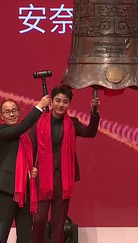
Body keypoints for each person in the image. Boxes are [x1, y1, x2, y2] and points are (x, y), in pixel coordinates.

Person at [30, 85, 100, 243]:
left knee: (58, 223)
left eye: (65, 102)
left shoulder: (72, 123)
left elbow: (90, 132)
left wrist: (94, 113)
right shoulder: (39, 122)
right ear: (52, 102)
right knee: (39, 220)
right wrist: (30, 168)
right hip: (42, 179)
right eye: (58, 101)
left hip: (63, 180)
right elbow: (31, 147)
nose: (61, 105)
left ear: (69, 104)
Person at [0, 95, 51, 243]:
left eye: (14, 110)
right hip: (6, 191)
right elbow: (22, 127)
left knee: (25, 237)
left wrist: (32, 171)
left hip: (25, 193)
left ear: (18, 112)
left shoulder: (24, 138)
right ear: (2, 116)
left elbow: (25, 161)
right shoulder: (2, 131)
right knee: (0, 234)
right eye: (7, 112)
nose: (11, 114)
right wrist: (39, 106)